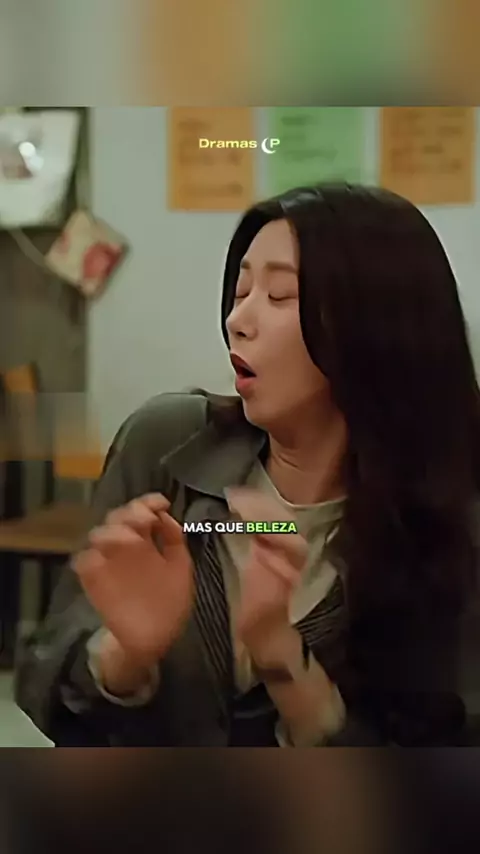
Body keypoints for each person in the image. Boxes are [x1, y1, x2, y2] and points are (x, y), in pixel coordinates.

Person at [15, 183, 480, 746]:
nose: (238, 318)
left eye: (280, 295)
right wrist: (123, 655)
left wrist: (283, 660)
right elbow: (44, 683)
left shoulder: (453, 521)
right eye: (239, 291)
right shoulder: (165, 442)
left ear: (378, 326)